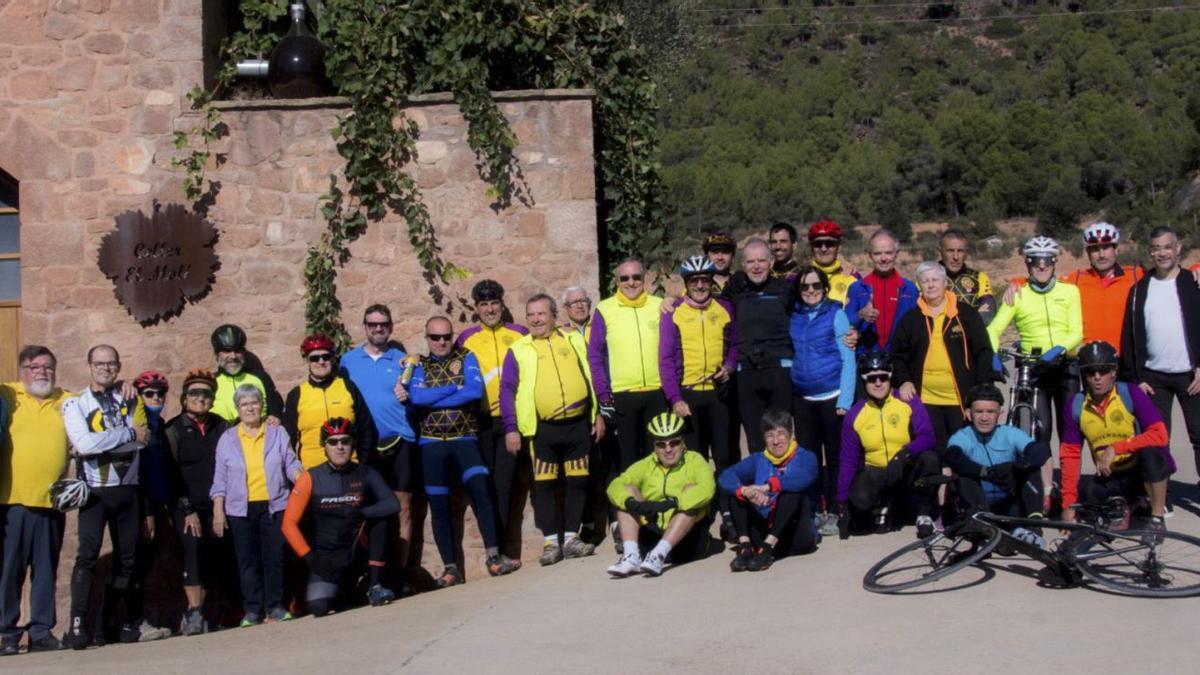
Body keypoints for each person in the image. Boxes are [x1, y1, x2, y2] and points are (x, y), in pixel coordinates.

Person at [403, 317, 519, 586]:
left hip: (465, 438)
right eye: (435, 337)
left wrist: (436, 395)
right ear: (427, 338)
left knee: (481, 490)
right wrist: (455, 387)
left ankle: (494, 556)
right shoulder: (417, 363)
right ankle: (450, 568)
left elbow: (474, 392)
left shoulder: (466, 356)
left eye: (446, 336)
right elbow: (416, 398)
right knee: (439, 505)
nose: (441, 342)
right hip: (431, 443)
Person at [500, 294, 603, 565]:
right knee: (543, 487)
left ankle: (571, 538)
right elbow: (507, 389)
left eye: (541, 314)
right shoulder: (519, 349)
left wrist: (597, 414)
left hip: (578, 425)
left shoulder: (572, 339)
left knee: (578, 482)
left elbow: (589, 375)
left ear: (554, 316)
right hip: (542, 429)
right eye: (530, 314)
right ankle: (550, 543)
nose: (535, 319)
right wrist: (511, 427)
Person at [62, 345, 149, 649]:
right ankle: (76, 627)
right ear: (89, 366)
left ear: (119, 366)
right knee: (87, 556)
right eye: (99, 363)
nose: (105, 368)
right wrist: (124, 436)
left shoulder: (127, 395)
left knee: (127, 561)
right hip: (95, 490)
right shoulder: (75, 403)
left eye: (111, 364)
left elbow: (143, 440)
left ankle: (105, 625)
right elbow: (84, 443)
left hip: (127, 488)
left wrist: (103, 443)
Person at [339, 304, 424, 592]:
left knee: (403, 509)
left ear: (391, 326)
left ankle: (398, 575)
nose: (378, 329)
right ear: (364, 326)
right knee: (367, 509)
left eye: (383, 324)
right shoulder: (347, 362)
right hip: (365, 447)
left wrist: (409, 394)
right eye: (372, 324)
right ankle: (370, 574)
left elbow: (421, 397)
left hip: (400, 442)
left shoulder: (404, 361)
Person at [986, 236, 1083, 490]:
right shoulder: (1017, 295)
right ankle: (1046, 489)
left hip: (1065, 365)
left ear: (1054, 262)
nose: (1042, 266)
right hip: (1032, 366)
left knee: (1069, 430)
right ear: (1028, 263)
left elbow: (1077, 331)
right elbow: (993, 330)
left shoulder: (1070, 291)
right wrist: (994, 355)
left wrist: (1060, 348)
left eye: (1047, 260)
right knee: (1042, 431)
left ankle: (1070, 488)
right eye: (1036, 261)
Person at [282, 417, 400, 615]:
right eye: (333, 442)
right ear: (324, 446)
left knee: (382, 518)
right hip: (326, 557)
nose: (340, 447)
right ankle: (345, 590)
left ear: (353, 443)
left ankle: (375, 585)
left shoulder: (366, 473)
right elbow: (288, 524)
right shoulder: (310, 478)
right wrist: (311, 559)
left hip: (356, 550)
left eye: (345, 441)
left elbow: (393, 504)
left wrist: (361, 513)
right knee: (319, 608)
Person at [210, 384, 302, 626]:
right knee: (247, 561)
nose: (250, 407)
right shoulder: (227, 439)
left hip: (274, 504)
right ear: (237, 409)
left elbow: (290, 462)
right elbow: (219, 478)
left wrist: (302, 479)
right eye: (244, 404)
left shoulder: (277, 433)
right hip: (240, 508)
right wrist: (218, 511)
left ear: (262, 405)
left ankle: (275, 606)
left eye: (254, 402)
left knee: (275, 557)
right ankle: (252, 610)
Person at [659, 255, 737, 539]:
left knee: (725, 456)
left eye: (705, 279)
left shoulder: (725, 307)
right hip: (688, 395)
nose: (701, 285)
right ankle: (699, 518)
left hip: (718, 394)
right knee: (695, 460)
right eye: (695, 281)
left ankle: (729, 514)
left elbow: (734, 345)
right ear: (687, 283)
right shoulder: (673, 312)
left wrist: (729, 366)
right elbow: (666, 359)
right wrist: (675, 398)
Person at [0, 346, 70, 654]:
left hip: (51, 503)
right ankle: (6, 633)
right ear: (22, 370)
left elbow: (97, 399)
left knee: (45, 572)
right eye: (35, 367)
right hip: (12, 501)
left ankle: (41, 631)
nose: (42, 372)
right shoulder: (9, 395)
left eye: (48, 367)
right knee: (8, 571)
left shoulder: (67, 400)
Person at [1061, 341, 1172, 529]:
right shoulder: (1075, 405)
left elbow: (1160, 435)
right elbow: (1070, 455)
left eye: (1103, 370)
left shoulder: (1131, 393)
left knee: (1152, 454)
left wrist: (1116, 447)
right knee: (1093, 515)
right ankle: (1131, 505)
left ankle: (1157, 518)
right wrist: (1068, 504)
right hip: (1109, 475)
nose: (1097, 378)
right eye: (1090, 372)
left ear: (1113, 371)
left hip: (1139, 470)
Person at [1119, 225, 1200, 483]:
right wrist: (1135, 377)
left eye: (1167, 247)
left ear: (1178, 248)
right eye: (1156, 249)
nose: (1162, 253)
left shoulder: (1193, 283)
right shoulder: (1139, 289)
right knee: (1157, 438)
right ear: (1149, 253)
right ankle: (1160, 499)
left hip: (1192, 376)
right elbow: (1128, 336)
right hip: (1153, 379)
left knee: (1199, 437)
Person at [456, 280, 529, 558]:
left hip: (512, 420)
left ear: (502, 304)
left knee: (506, 485)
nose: (490, 309)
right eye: (484, 304)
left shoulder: (519, 333)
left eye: (494, 303)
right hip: (482, 422)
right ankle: (495, 549)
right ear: (477, 308)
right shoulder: (466, 338)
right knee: (484, 486)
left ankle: (505, 550)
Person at [891, 261, 993, 450]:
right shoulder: (911, 318)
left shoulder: (965, 314)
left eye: (935, 280)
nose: (930, 285)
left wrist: (981, 388)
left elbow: (983, 352)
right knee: (934, 449)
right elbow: (897, 355)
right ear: (919, 285)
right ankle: (939, 479)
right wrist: (904, 380)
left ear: (945, 282)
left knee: (961, 449)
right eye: (925, 281)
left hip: (960, 397)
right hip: (926, 398)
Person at [836, 351, 939, 538]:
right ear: (864, 380)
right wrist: (842, 503)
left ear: (890, 377)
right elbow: (848, 460)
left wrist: (905, 453)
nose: (878, 383)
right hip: (876, 472)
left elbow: (927, 436)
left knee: (930, 459)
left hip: (904, 468)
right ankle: (884, 504)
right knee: (859, 502)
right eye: (872, 378)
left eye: (883, 377)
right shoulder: (855, 414)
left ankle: (923, 514)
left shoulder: (907, 401)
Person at [162, 369, 230, 636]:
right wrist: (185, 508)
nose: (200, 398)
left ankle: (209, 610)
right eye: (194, 393)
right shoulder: (174, 430)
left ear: (213, 399)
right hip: (186, 505)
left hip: (215, 503)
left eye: (206, 393)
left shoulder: (222, 426)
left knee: (215, 554)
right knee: (192, 552)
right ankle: (193, 612)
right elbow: (170, 472)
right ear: (184, 397)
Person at [605, 413, 716, 577]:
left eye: (674, 443)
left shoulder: (695, 460)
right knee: (626, 491)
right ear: (655, 447)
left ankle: (659, 553)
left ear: (683, 443)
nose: (668, 449)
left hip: (687, 540)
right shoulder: (646, 464)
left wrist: (674, 502)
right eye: (661, 445)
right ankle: (631, 557)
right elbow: (615, 485)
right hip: (652, 532)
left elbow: (708, 488)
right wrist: (631, 503)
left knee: (692, 490)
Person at [788, 265, 855, 536]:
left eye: (816, 286)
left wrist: (846, 400)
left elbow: (848, 359)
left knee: (836, 457)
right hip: (803, 397)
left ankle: (839, 508)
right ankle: (816, 508)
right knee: (811, 458)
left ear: (825, 288)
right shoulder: (794, 315)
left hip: (832, 395)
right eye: (805, 286)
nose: (811, 291)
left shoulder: (836, 314)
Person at [587, 257, 666, 472]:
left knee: (658, 455)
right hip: (623, 394)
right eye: (624, 278)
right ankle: (632, 504)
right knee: (628, 457)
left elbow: (673, 349)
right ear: (617, 281)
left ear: (644, 278)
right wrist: (603, 392)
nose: (631, 282)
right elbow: (595, 354)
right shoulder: (605, 309)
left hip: (657, 392)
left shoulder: (659, 306)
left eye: (636, 277)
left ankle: (657, 502)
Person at [718, 409, 819, 572]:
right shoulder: (759, 459)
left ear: (791, 435)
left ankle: (768, 547)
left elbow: (805, 477)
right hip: (764, 529)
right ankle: (745, 547)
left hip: (796, 536)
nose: (776, 441)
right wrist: (746, 491)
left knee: (793, 492)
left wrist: (768, 486)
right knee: (737, 493)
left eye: (781, 434)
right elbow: (725, 476)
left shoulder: (806, 457)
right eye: (770, 435)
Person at [722, 238, 794, 453]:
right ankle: (761, 485)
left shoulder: (786, 290)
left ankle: (783, 484)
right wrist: (674, 301)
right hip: (747, 373)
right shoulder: (734, 289)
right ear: (743, 265)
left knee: (780, 436)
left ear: (771, 262)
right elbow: (706, 304)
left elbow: (814, 300)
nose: (756, 266)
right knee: (755, 439)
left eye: (762, 260)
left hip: (780, 371)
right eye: (751, 261)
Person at [943, 384, 1051, 520]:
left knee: (1032, 470)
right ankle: (981, 521)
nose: (984, 418)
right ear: (969, 414)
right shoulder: (962, 436)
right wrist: (985, 472)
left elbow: (1041, 452)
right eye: (979, 411)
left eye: (990, 412)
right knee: (962, 474)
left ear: (1000, 414)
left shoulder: (1010, 434)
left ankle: (1034, 522)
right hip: (976, 504)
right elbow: (953, 457)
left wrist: (1017, 466)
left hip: (1009, 504)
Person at [283, 333, 374, 470]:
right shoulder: (296, 395)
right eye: (314, 358)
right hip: (312, 471)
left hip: (350, 470)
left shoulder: (348, 387)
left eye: (326, 356)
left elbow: (366, 429)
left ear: (332, 358)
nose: (321, 362)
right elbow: (288, 440)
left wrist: (361, 464)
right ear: (307, 361)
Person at [129, 370, 172, 642]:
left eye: (160, 394)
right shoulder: (139, 427)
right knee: (133, 564)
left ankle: (141, 620)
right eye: (149, 394)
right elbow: (139, 473)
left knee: (147, 564)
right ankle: (132, 622)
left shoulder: (161, 426)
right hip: (140, 505)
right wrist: (146, 512)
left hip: (158, 503)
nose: (155, 398)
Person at [844, 229, 920, 353]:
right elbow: (845, 325)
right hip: (866, 360)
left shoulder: (910, 289)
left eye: (888, 253)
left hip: (900, 360)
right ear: (870, 255)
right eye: (877, 253)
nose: (883, 258)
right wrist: (860, 315)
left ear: (896, 253)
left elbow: (917, 328)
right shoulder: (857, 288)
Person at [210, 324, 284, 425]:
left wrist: (275, 417)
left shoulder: (261, 377)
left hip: (258, 436)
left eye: (237, 350)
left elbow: (277, 409)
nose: (233, 356)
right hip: (221, 438)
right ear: (216, 354)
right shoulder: (210, 381)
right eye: (227, 351)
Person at [939, 228, 995, 323]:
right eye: (950, 251)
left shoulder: (979, 277)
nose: (955, 257)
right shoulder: (927, 279)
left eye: (960, 251)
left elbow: (988, 310)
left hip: (971, 335)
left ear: (966, 253)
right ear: (940, 251)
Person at [806, 220, 859, 305]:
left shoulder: (853, 276)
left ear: (839, 247)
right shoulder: (800, 278)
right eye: (818, 243)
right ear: (812, 248)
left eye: (829, 243)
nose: (823, 249)